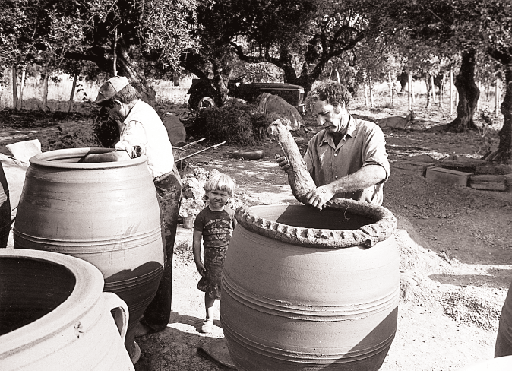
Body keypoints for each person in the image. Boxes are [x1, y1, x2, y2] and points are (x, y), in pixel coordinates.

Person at [92, 76, 182, 362]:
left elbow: (121, 153)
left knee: (159, 255)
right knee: (153, 253)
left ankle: (155, 320)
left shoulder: (135, 122)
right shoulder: (143, 109)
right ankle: (150, 311)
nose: (109, 114)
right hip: (159, 184)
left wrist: (90, 164)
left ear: (118, 103)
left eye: (108, 108)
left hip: (163, 188)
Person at [278, 82, 390, 208]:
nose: (320, 122)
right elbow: (305, 191)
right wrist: (293, 172)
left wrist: (331, 189)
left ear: (340, 105)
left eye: (324, 113)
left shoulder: (369, 132)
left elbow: (378, 172)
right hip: (326, 216)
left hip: (362, 217)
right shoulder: (316, 141)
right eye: (316, 116)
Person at [192, 173, 236, 334]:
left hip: (229, 259)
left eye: (223, 194)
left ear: (229, 196)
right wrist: (197, 260)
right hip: (211, 260)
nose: (218, 197)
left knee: (228, 290)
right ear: (207, 193)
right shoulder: (202, 216)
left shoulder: (231, 213)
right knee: (211, 289)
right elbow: (196, 240)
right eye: (215, 193)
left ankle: (225, 319)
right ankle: (208, 318)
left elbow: (238, 235)